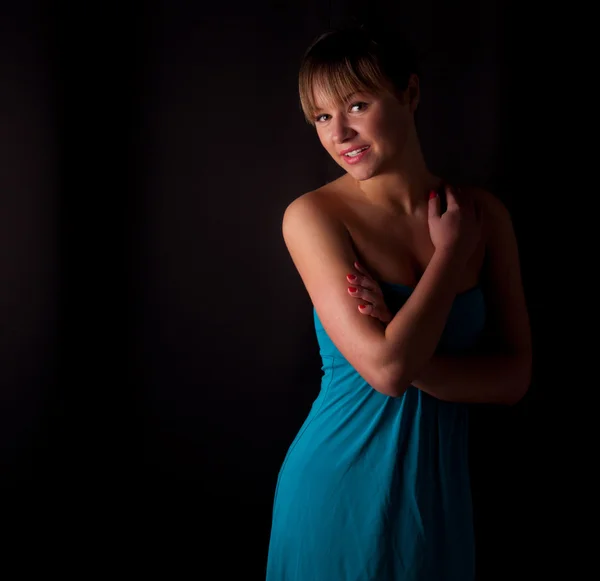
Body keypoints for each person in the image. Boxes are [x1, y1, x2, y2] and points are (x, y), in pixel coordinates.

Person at [265, 24, 531, 581]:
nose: (340, 132)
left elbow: (512, 379)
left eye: (357, 104)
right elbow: (386, 372)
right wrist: (448, 257)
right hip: (337, 489)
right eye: (321, 116)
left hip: (439, 498)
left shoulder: (486, 215)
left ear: (410, 93)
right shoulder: (314, 217)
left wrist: (408, 353)